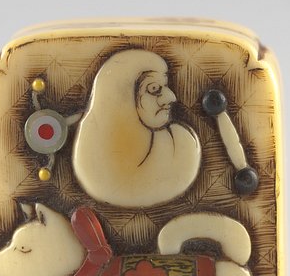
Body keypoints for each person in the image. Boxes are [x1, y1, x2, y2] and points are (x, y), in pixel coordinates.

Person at [72, 50, 201, 208]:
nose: (171, 97)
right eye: (154, 88)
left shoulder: (181, 147)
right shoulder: (90, 166)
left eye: (165, 86)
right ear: (122, 98)